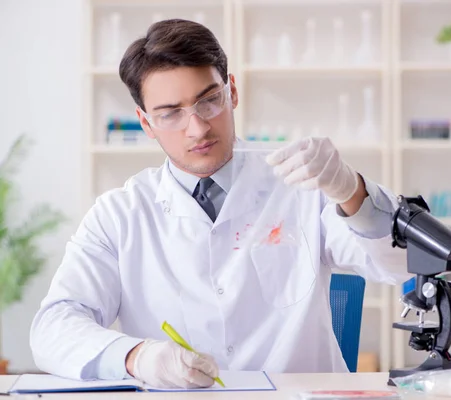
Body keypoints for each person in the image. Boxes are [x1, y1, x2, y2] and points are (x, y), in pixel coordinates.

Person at [30, 19, 408, 389]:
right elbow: (54, 328)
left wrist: (351, 191)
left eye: (209, 101)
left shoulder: (304, 185)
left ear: (232, 91)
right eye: (170, 114)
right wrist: (137, 357)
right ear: (146, 123)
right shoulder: (119, 215)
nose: (197, 128)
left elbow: (402, 265)